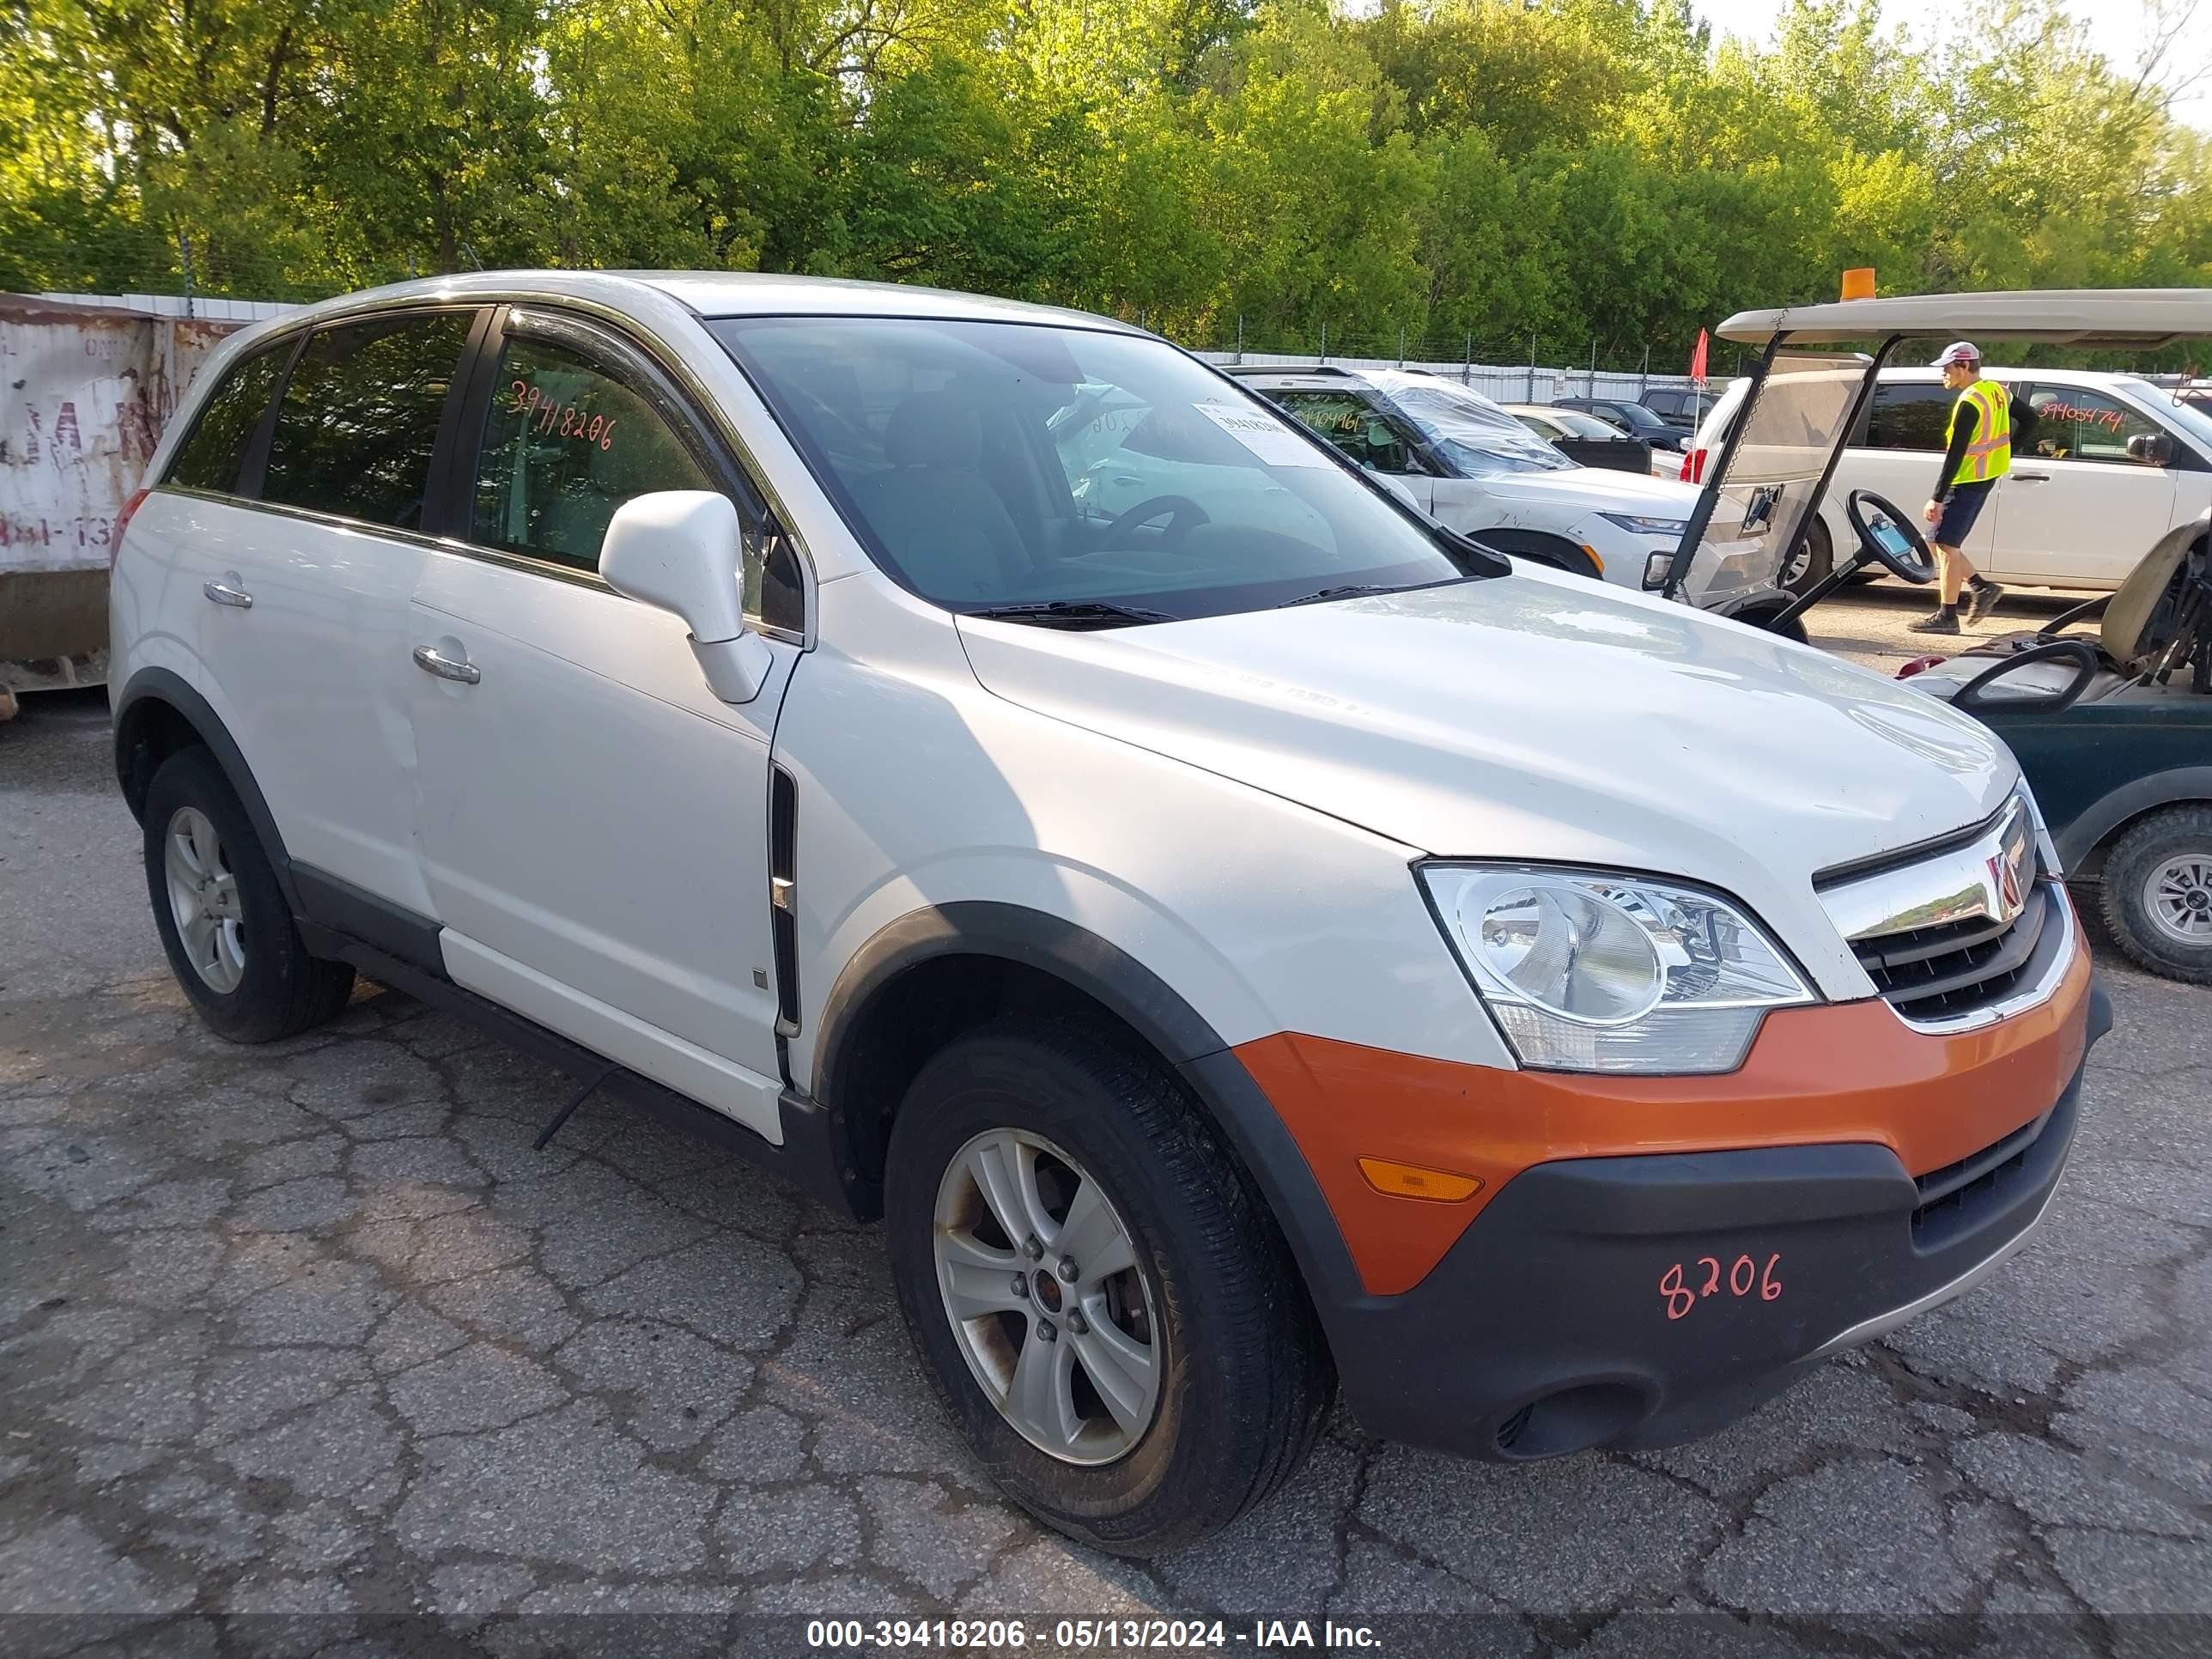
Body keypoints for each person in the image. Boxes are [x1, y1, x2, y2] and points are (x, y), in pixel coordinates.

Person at [1910, 342, 2011, 635]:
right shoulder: (1997, 391)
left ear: (1964, 366)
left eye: (1947, 367)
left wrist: (1936, 498)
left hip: (1966, 479)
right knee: (1944, 543)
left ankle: (1948, 616)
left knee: (1945, 545)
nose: (1943, 373)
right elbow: (2029, 418)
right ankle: (1980, 588)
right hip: (1984, 476)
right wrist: (2006, 448)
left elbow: (1955, 454)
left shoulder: (1970, 401)